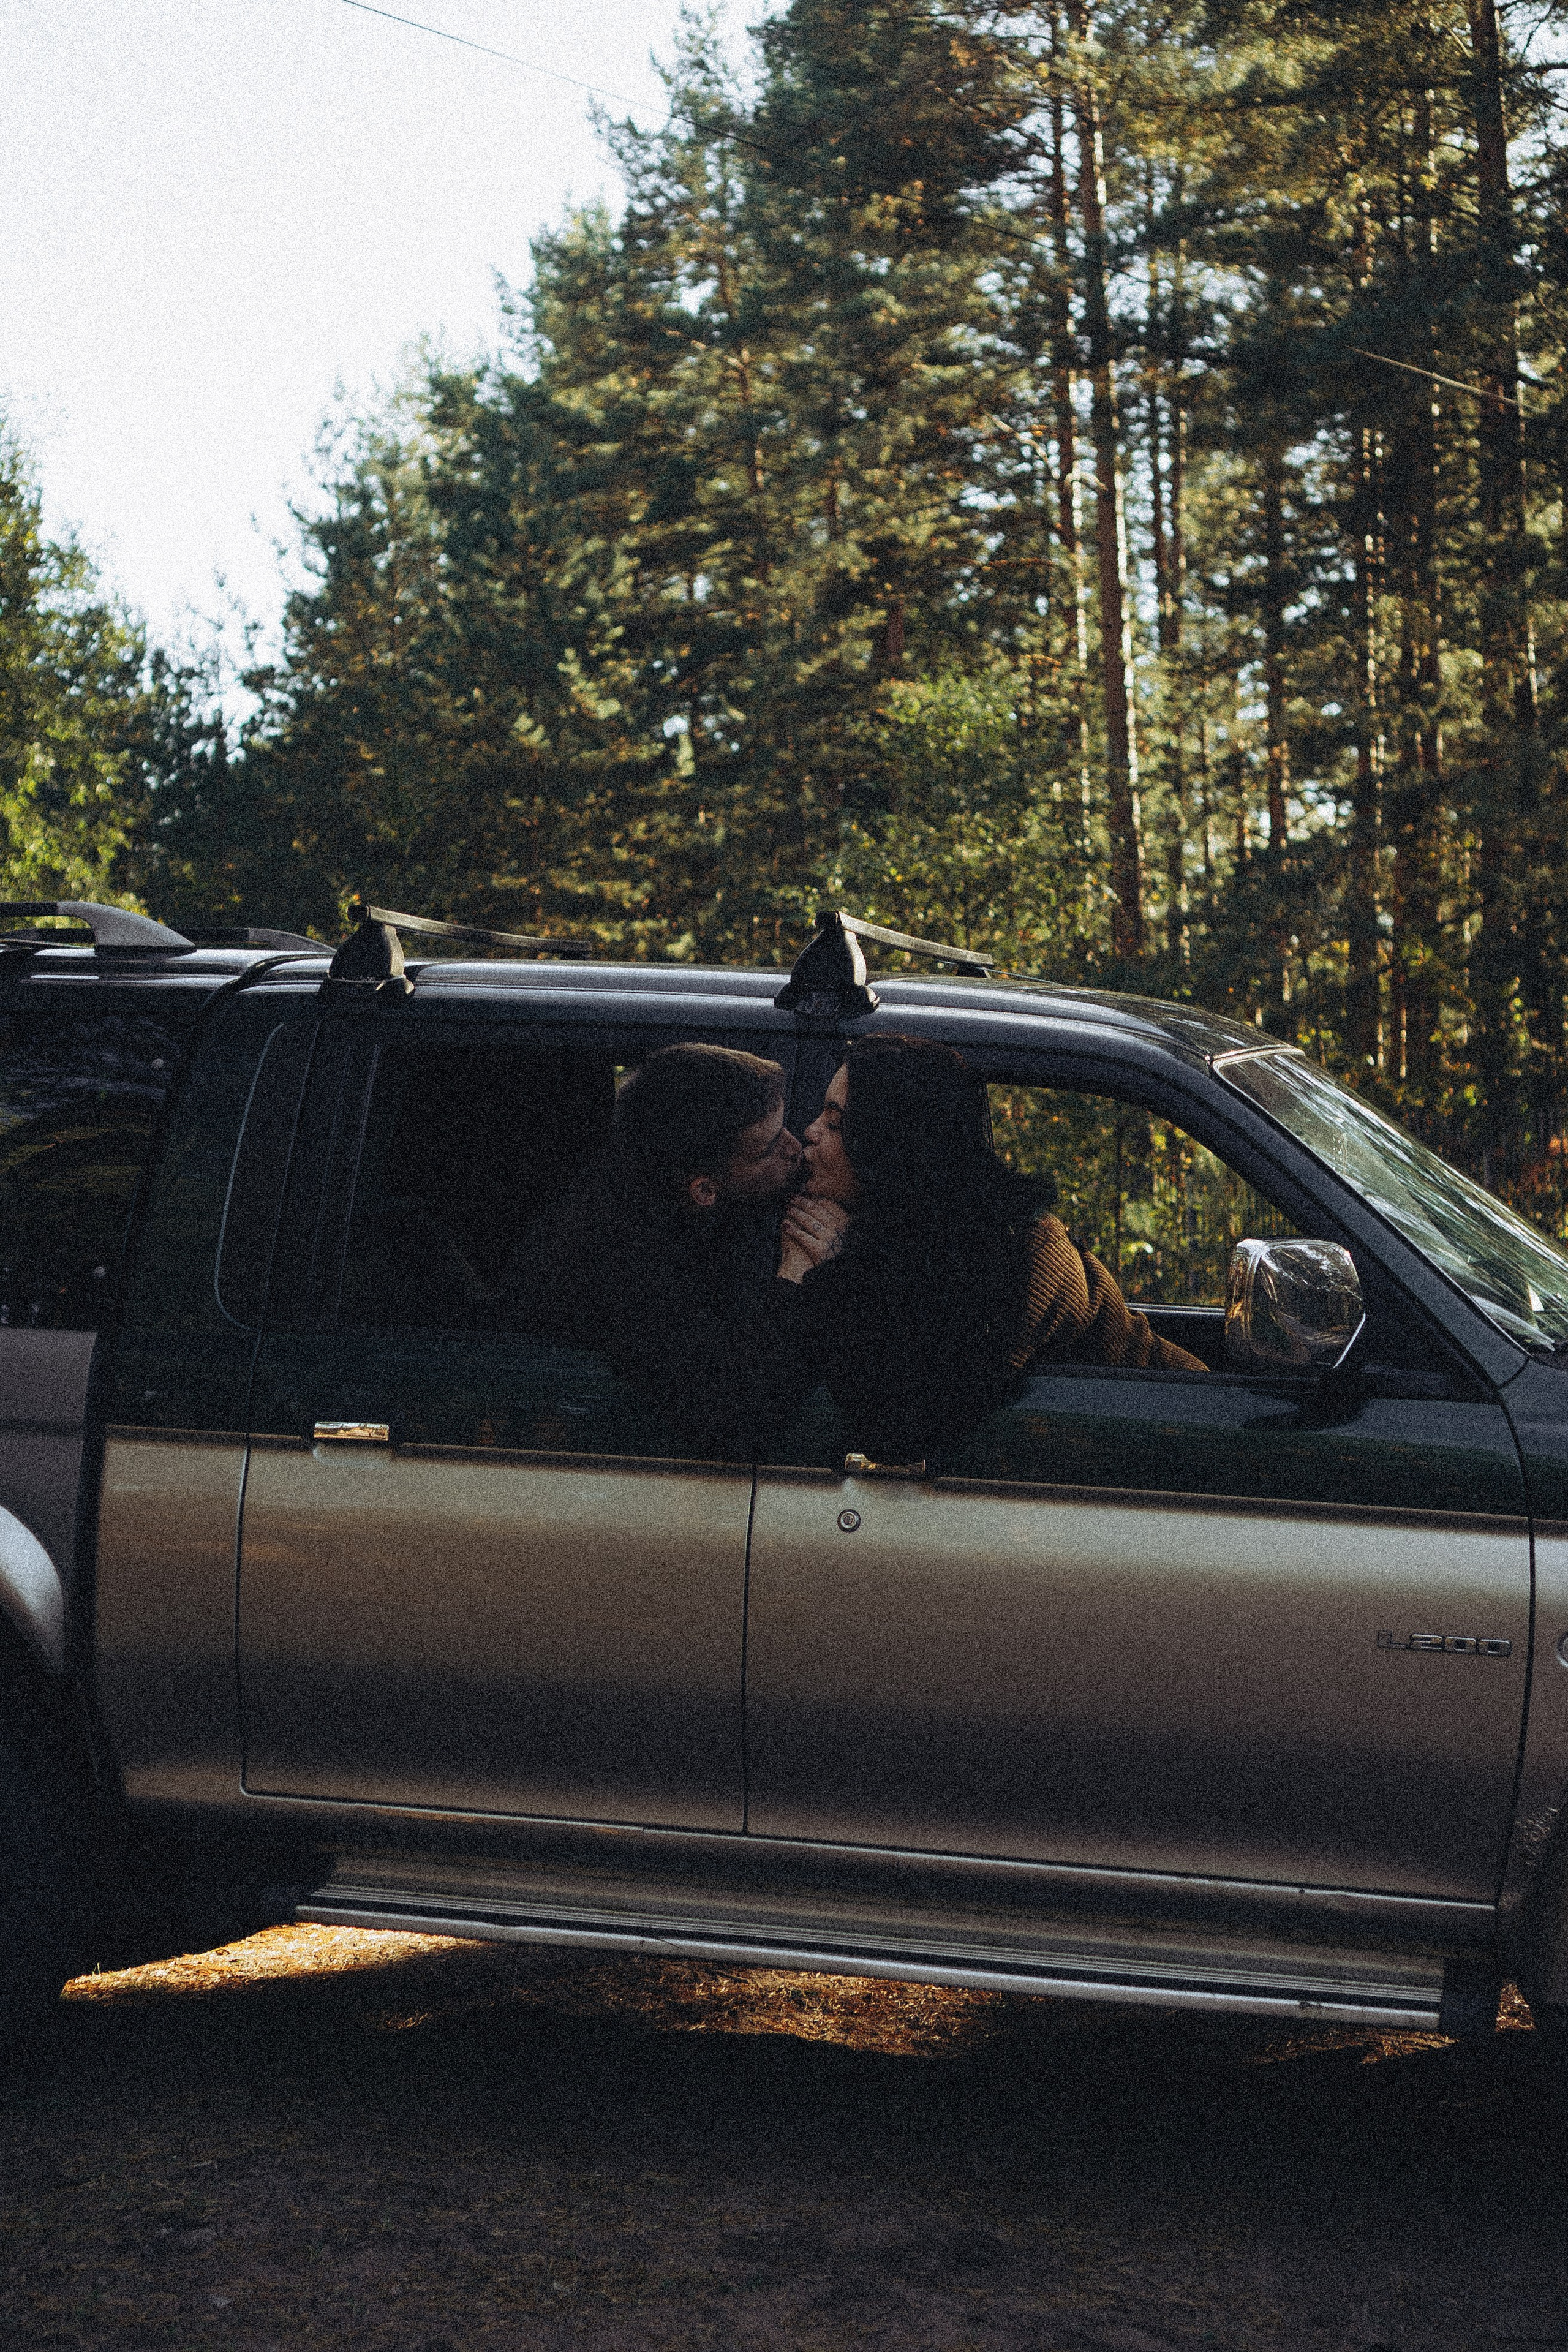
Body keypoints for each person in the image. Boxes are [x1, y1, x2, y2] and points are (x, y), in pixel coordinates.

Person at [780, 1033, 1204, 1463]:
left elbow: (900, 1432)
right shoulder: (890, 1228)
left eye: (835, 1123)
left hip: (1190, 1440)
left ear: (892, 1145)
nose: (808, 1132)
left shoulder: (1027, 1256)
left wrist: (834, 1272)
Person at [518, 1042, 838, 1457]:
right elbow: (730, 1416)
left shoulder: (675, 1182)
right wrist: (796, 1276)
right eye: (769, 1146)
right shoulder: (621, 1260)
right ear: (704, 1190)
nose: (795, 1147)